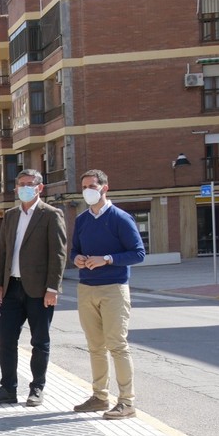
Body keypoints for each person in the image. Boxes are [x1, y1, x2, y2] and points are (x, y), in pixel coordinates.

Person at [0, 169, 67, 407]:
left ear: (40, 188)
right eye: (20, 184)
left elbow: (58, 254)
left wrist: (53, 287)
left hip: (39, 290)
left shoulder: (51, 214)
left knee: (40, 341)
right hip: (12, 288)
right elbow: (3, 252)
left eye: (29, 184)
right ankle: (8, 388)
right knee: (5, 340)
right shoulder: (10, 215)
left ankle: (37, 388)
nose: (24, 188)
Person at [70, 169, 146, 419]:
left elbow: (138, 253)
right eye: (84, 187)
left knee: (117, 345)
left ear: (105, 188)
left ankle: (127, 401)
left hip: (114, 288)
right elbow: (74, 251)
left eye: (92, 186)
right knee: (95, 347)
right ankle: (99, 397)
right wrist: (78, 259)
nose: (88, 191)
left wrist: (107, 259)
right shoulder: (81, 220)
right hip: (86, 288)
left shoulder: (121, 218)